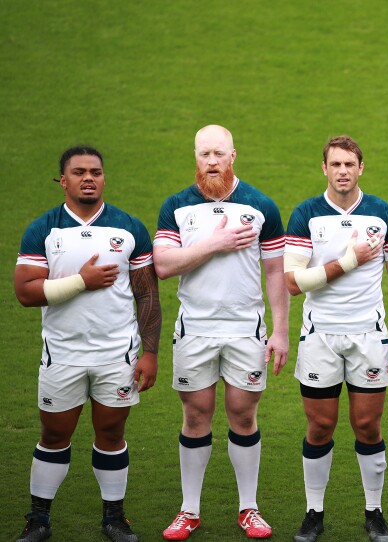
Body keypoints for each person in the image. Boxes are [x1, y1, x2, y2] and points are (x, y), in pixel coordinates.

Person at [13, 146, 161, 542]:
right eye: (78, 172)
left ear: (104, 177)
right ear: (64, 180)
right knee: (54, 435)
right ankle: (38, 520)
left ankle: (114, 518)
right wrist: (82, 281)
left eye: (95, 171)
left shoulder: (129, 228)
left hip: (118, 354)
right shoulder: (43, 229)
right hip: (62, 353)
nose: (88, 178)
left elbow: (147, 294)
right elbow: (25, 292)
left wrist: (150, 352)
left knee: (111, 434)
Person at [153, 125, 289, 541]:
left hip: (245, 331)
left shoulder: (260, 205)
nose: (211, 162)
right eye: (203, 154)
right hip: (194, 330)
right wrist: (216, 242)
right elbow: (162, 265)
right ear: (195, 157)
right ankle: (188, 510)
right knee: (195, 416)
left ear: (233, 156)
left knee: (243, 415)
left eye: (218, 154)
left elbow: (276, 274)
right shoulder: (176, 207)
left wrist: (280, 331)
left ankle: (249, 508)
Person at [284, 135, 388, 542]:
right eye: (335, 164)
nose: (342, 171)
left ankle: (374, 511)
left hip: (368, 336)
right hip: (319, 335)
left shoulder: (382, 215)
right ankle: (314, 511)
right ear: (324, 168)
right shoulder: (306, 214)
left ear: (361, 168)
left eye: (349, 164)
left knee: (367, 425)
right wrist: (350, 260)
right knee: (320, 426)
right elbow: (293, 283)